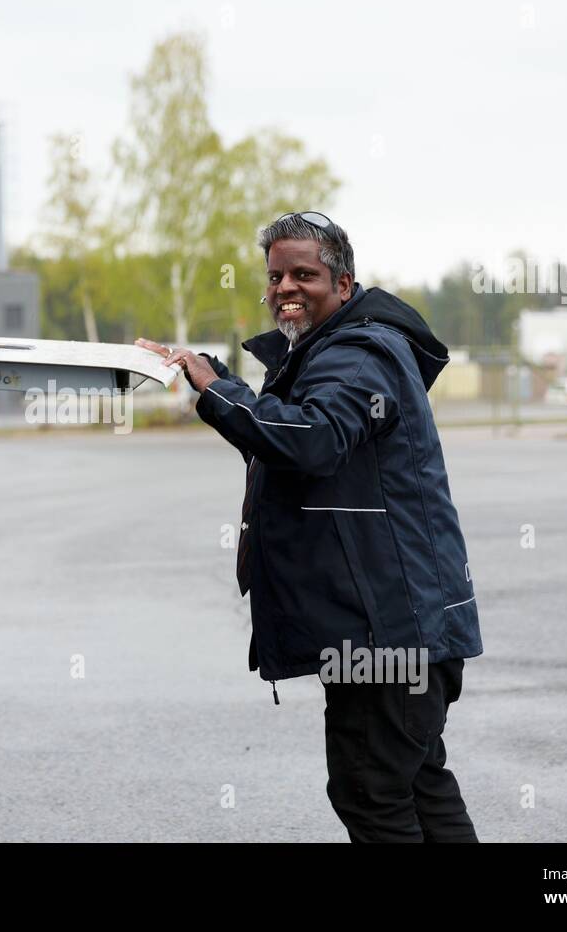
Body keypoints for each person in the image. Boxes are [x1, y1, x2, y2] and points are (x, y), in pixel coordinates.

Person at [136, 211, 482, 842]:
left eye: (305, 273)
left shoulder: (358, 357)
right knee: (418, 784)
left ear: (343, 285)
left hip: (389, 632)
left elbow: (313, 439)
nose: (286, 287)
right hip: (395, 627)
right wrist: (220, 381)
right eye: (275, 276)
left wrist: (218, 391)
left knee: (373, 795)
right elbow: (295, 429)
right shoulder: (332, 354)